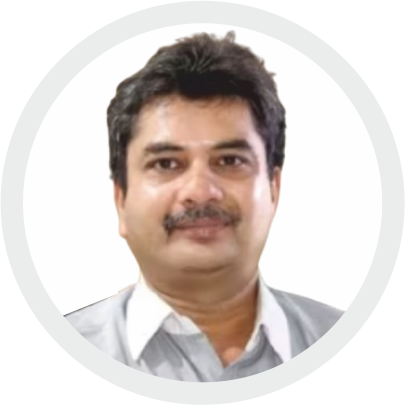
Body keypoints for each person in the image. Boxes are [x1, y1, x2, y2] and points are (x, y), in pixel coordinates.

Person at [65, 31, 343, 382]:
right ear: (121, 200)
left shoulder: (355, 346)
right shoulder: (48, 357)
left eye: (229, 161)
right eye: (166, 163)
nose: (200, 191)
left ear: (274, 189)